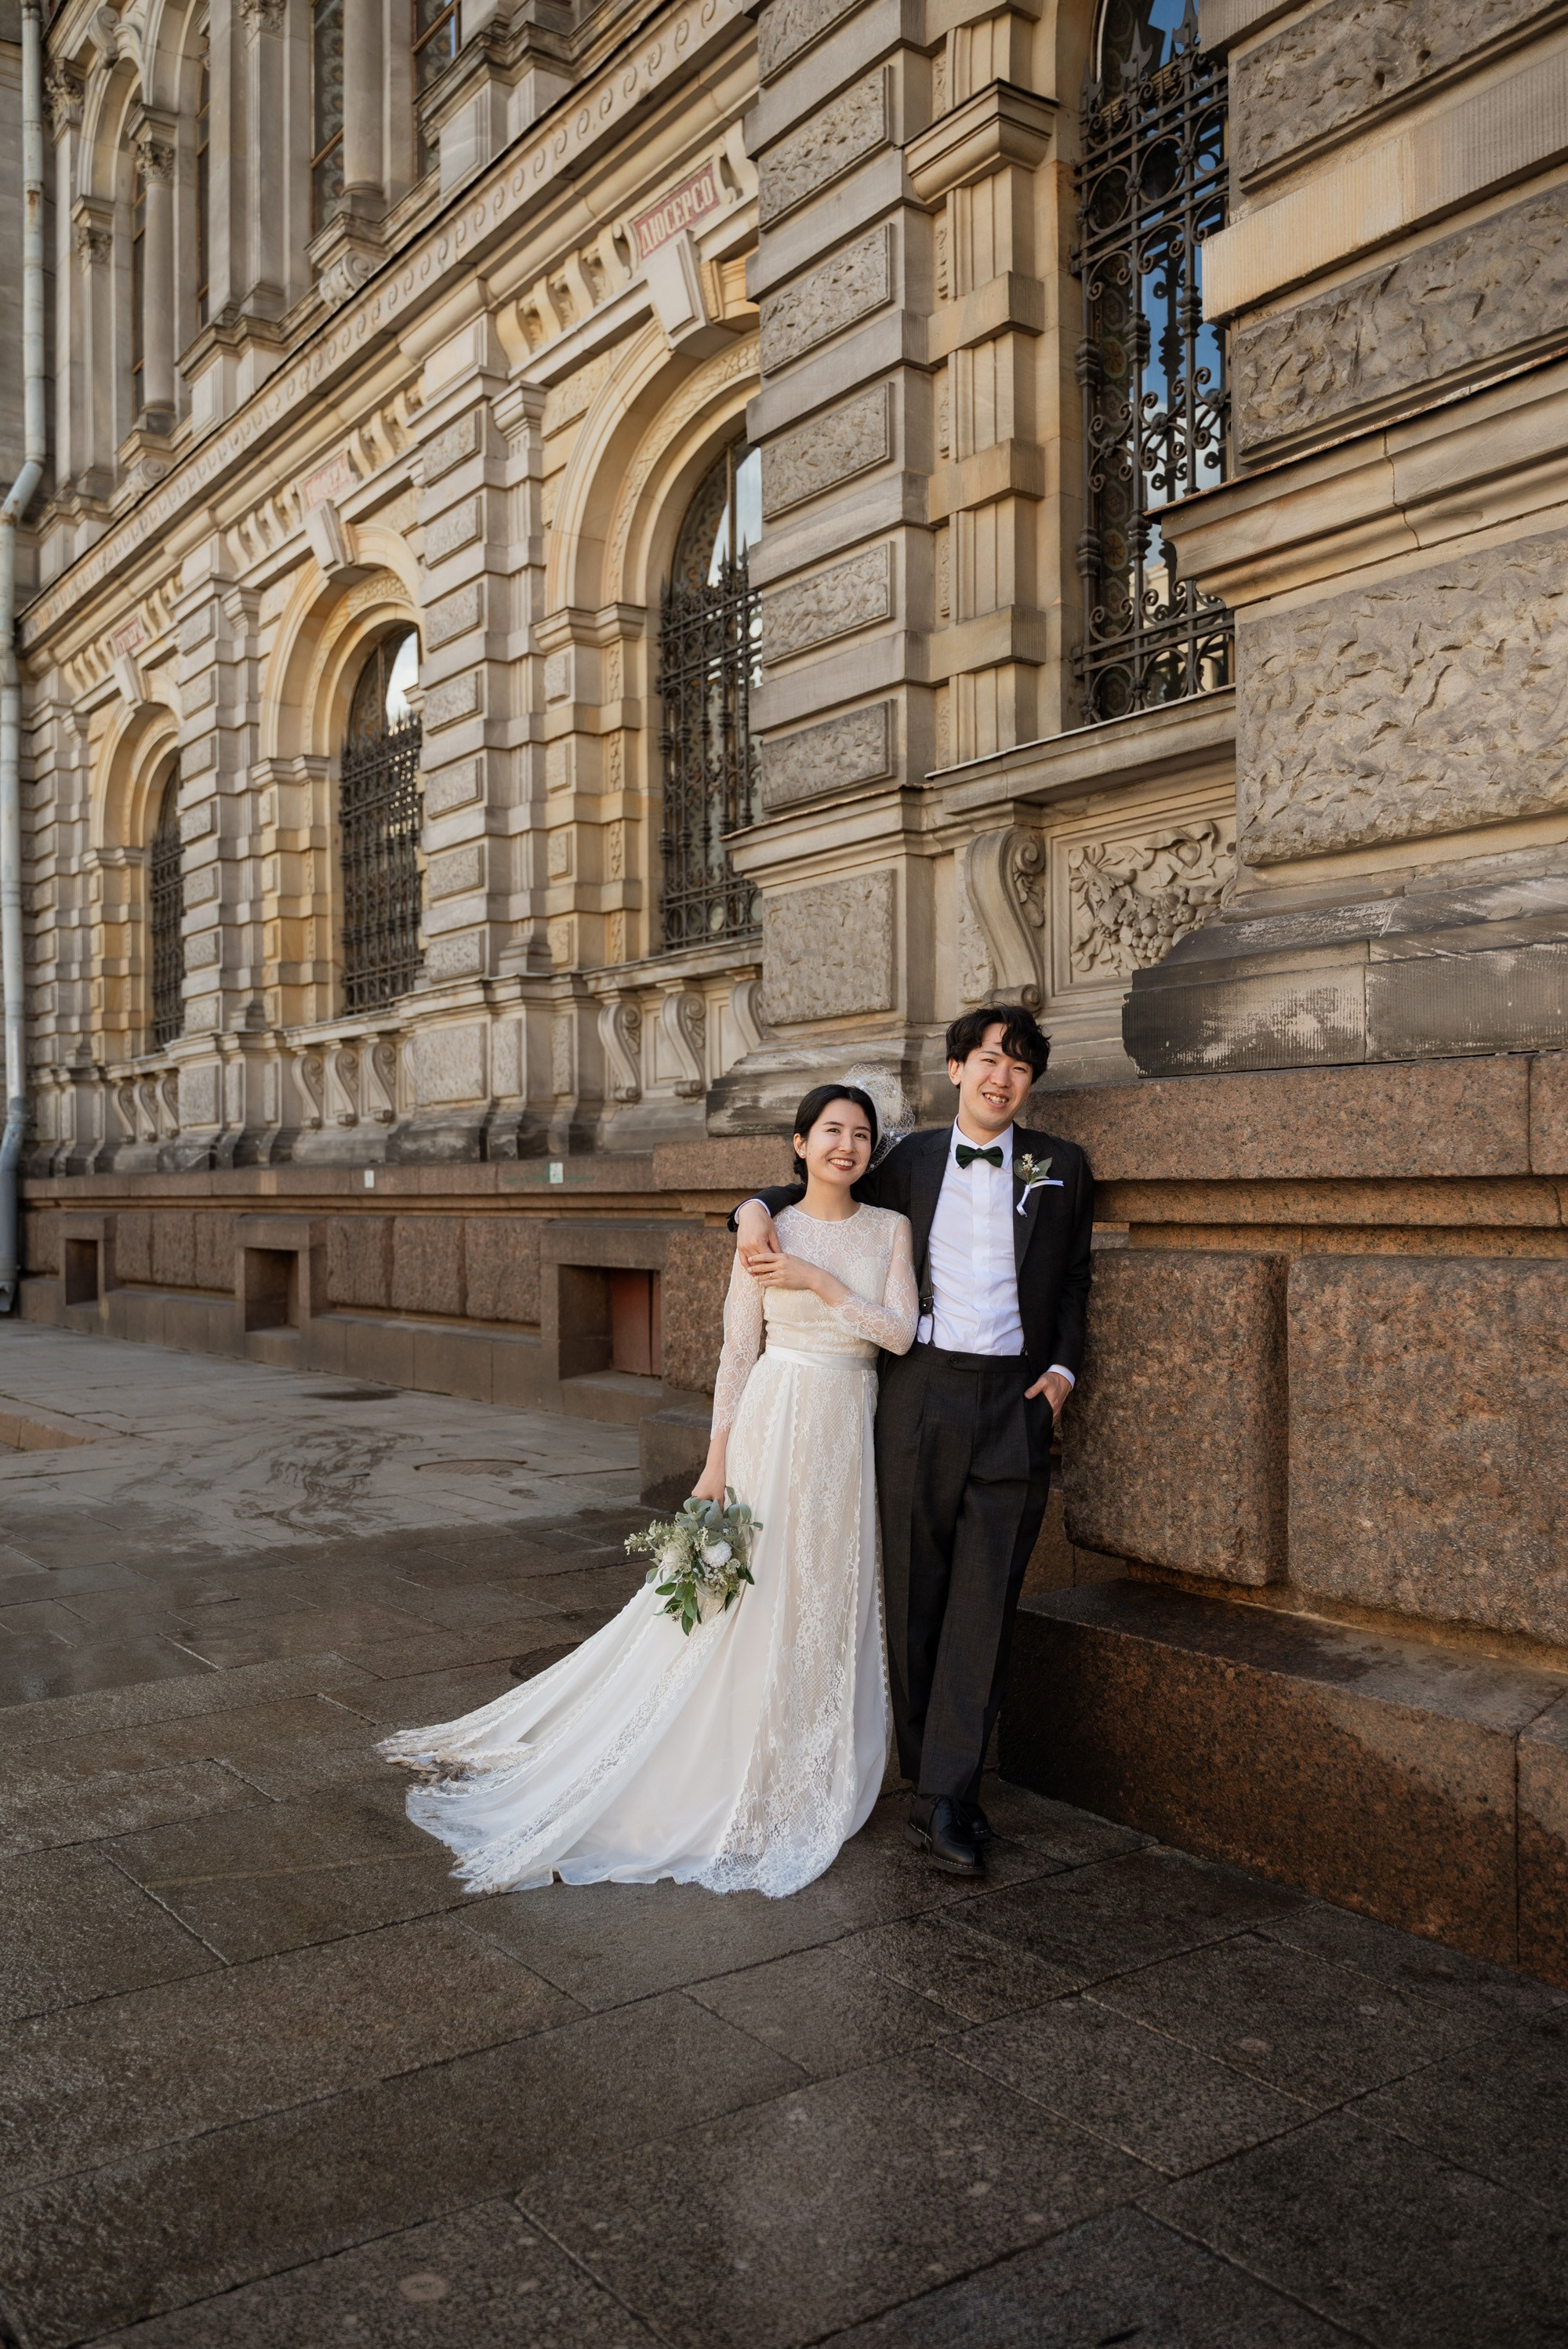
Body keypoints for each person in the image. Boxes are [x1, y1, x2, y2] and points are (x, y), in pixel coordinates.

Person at [379, 1085, 917, 1899]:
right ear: (799, 1143)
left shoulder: (887, 1230)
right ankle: (738, 1745)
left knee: (828, 1587)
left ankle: (814, 1745)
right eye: (830, 1131)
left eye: (860, 1134)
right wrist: (713, 1462)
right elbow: (738, 1353)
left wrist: (816, 1278)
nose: (846, 1144)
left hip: (848, 1424)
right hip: (775, 1419)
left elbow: (900, 1331)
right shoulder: (763, 1228)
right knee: (753, 1591)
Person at [732, 1005, 1093, 1879]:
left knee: (985, 1595)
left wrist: (1061, 1374)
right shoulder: (909, 1157)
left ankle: (947, 1794)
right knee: (915, 1588)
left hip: (1012, 1401)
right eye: (985, 1060)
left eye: (1017, 1065)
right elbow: (821, 1181)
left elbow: (1076, 1275)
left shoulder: (1061, 1165)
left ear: (1028, 1082)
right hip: (920, 1394)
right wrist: (748, 1207)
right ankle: (927, 1772)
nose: (1000, 1076)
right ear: (954, 1068)